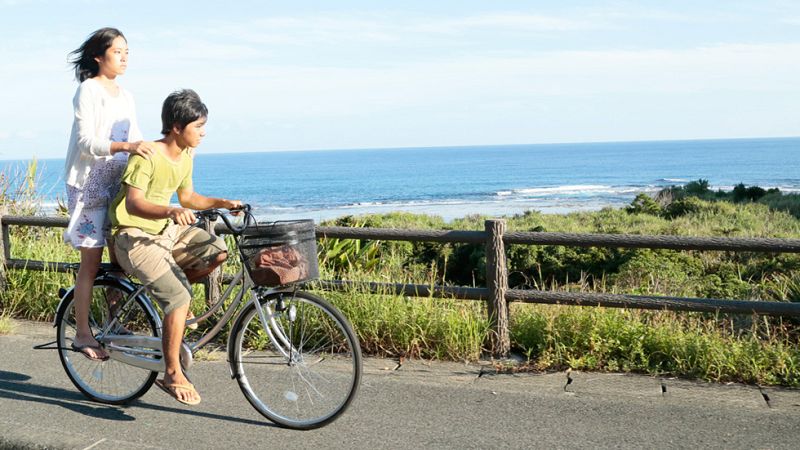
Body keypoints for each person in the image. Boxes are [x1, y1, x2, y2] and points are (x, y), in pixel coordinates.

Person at [109, 89, 241, 406]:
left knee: (216, 250)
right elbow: (134, 202)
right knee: (179, 296)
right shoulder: (147, 156)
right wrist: (169, 211)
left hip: (166, 233)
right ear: (177, 127)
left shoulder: (184, 156)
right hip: (133, 236)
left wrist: (224, 202)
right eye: (198, 126)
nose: (203, 132)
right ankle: (171, 372)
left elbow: (188, 198)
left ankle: (174, 303)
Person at [63, 27, 155, 361]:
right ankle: (82, 333)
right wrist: (126, 146)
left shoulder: (126, 96)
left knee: (119, 258)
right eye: (117, 52)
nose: (124, 58)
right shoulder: (88, 90)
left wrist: (164, 149)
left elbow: (138, 137)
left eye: (127, 52)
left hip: (116, 185)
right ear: (99, 57)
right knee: (90, 263)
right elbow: (87, 142)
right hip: (88, 187)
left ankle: (115, 323)